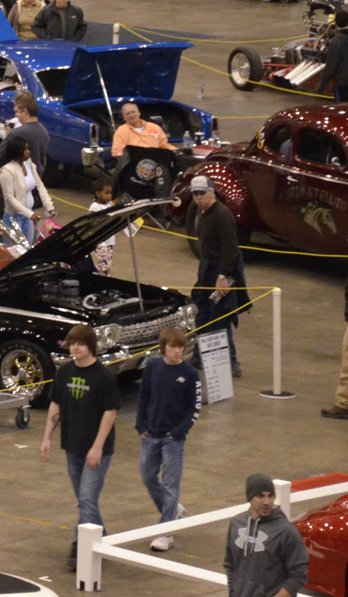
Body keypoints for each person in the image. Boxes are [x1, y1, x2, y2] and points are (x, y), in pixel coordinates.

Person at [41, 324, 121, 572]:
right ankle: (103, 539)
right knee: (85, 501)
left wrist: (97, 447)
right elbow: (56, 406)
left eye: (81, 343)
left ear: (91, 346)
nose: (75, 348)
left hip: (97, 449)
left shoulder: (104, 376)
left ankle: (80, 547)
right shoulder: (64, 372)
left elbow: (110, 413)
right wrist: (47, 438)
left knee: (87, 498)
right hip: (72, 446)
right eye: (72, 343)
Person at [136, 327, 201, 553]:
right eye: (172, 347)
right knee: (147, 475)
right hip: (150, 434)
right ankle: (173, 510)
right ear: (164, 347)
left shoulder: (190, 374)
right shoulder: (152, 367)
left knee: (171, 485)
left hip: (173, 439)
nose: (176, 351)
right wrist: (140, 424)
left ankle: (166, 533)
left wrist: (180, 431)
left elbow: (194, 406)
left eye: (180, 347)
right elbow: (144, 395)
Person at [190, 175, 246, 379]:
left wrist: (223, 276)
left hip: (220, 268)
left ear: (212, 192)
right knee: (203, 313)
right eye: (195, 194)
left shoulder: (222, 215)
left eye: (202, 193)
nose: (199, 197)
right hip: (206, 267)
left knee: (220, 316)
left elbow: (231, 249)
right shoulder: (201, 211)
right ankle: (198, 355)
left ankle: (231, 363)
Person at [225, 474, 311, 597]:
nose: (267, 502)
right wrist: (234, 592)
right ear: (250, 498)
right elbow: (230, 564)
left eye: (270, 496)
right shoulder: (236, 524)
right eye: (260, 496)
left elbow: (299, 575)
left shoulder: (286, 531)